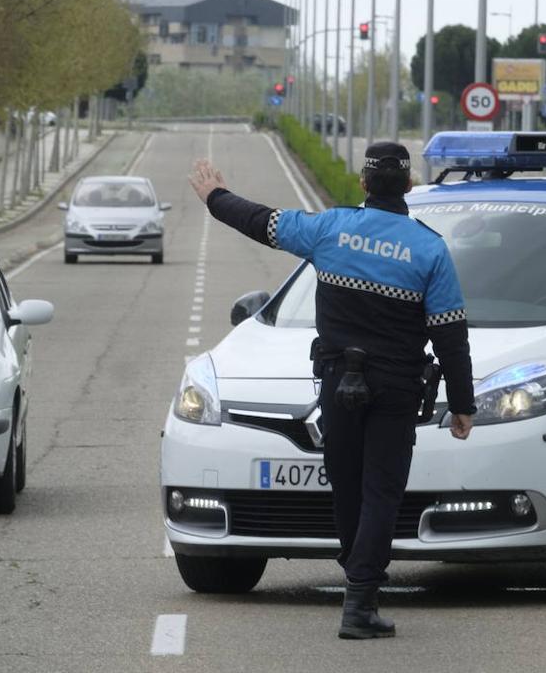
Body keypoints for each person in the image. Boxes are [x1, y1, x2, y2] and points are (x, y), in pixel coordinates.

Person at [189, 142, 475, 640]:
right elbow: (450, 334)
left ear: (363, 183)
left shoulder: (329, 228)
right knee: (381, 491)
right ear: (409, 186)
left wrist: (215, 195)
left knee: (345, 486)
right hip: (396, 390)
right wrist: (463, 404)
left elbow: (261, 221)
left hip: (339, 383)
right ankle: (360, 599)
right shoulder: (429, 249)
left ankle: (356, 580)